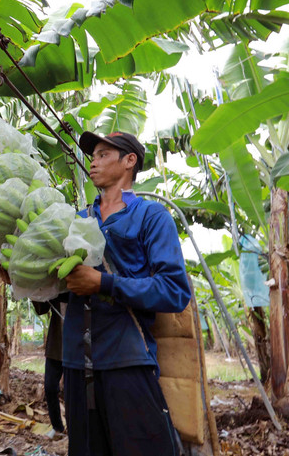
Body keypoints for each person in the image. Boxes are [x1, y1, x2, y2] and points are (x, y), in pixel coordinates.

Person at [62, 130, 191, 456]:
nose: (93, 162)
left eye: (103, 154)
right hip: (77, 363)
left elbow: (174, 291)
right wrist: (23, 276)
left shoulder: (151, 216)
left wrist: (104, 283)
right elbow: (67, 291)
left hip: (127, 360)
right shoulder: (77, 221)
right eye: (92, 156)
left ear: (129, 160)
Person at [32, 298, 66, 434]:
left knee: (73, 390)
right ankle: (57, 427)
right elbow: (42, 309)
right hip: (56, 344)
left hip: (77, 344)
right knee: (50, 386)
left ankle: (78, 429)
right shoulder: (55, 284)